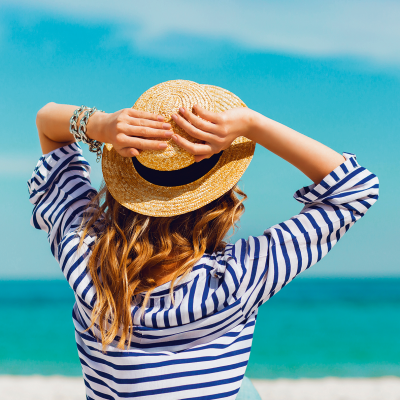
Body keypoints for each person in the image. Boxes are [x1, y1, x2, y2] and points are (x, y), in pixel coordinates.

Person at [28, 80, 379, 400]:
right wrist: (253, 124)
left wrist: (100, 124)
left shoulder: (84, 256)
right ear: (221, 198)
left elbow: (47, 121)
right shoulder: (235, 279)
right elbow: (355, 188)